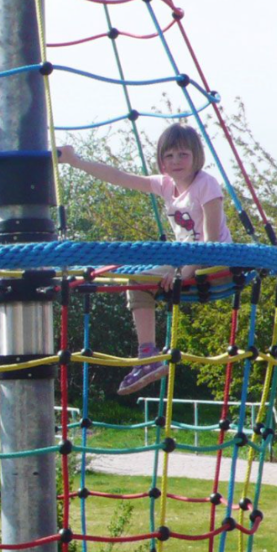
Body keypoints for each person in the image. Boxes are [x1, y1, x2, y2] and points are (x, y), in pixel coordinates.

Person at [59, 123, 232, 395]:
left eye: (183, 155)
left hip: (216, 261)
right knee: (137, 280)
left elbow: (210, 242)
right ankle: (147, 357)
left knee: (152, 275)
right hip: (185, 257)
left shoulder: (206, 185)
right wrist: (75, 161)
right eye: (169, 156)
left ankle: (148, 357)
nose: (175, 161)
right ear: (161, 160)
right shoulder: (165, 185)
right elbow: (118, 177)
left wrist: (185, 271)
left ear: (196, 156)